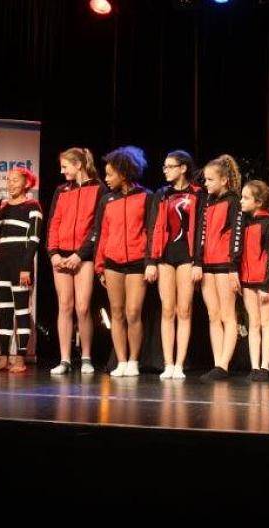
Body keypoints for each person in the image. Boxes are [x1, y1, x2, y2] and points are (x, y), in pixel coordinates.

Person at [91, 146, 152, 377]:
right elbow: (102, 234)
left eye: (110, 174)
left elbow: (151, 231)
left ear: (124, 173)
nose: (106, 179)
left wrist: (150, 262)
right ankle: (122, 361)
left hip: (137, 262)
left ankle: (134, 361)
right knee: (116, 313)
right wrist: (99, 267)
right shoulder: (106, 201)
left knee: (133, 312)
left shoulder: (146, 197)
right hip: (112, 262)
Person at [144, 150, 204, 380]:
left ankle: (180, 364)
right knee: (167, 309)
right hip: (165, 256)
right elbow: (153, 228)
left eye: (170, 166)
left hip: (187, 256)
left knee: (184, 310)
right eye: (164, 167)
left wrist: (198, 261)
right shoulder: (162, 194)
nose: (165, 170)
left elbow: (201, 230)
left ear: (183, 168)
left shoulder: (198, 194)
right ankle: (168, 363)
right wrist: (151, 261)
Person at [46, 147, 104, 375]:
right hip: (61, 255)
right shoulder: (61, 191)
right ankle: (65, 360)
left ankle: (86, 357)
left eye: (65, 166)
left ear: (79, 165)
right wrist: (53, 253)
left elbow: (97, 227)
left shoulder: (99, 188)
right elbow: (53, 223)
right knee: (65, 306)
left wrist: (80, 254)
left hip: (84, 257)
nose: (62, 172)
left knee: (83, 307)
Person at [0, 168, 42, 373]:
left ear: (27, 183)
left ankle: (20, 358)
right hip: (1, 264)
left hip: (20, 264)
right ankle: (3, 358)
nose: (10, 184)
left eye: (15, 180)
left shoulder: (33, 206)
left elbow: (33, 240)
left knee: (22, 310)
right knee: (5, 310)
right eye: (8, 180)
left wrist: (25, 268)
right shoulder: (4, 207)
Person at [193, 154, 243, 382]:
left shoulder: (234, 201)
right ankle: (217, 363)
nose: (206, 184)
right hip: (208, 265)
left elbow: (236, 236)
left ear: (224, 180)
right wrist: (198, 262)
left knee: (227, 315)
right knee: (213, 315)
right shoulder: (207, 202)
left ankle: (224, 364)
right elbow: (201, 235)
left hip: (224, 264)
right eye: (205, 180)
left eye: (211, 180)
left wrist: (233, 267)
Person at [238, 180, 269, 382]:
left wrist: (266, 284)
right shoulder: (245, 223)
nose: (241, 201)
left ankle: (265, 366)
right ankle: (254, 366)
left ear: (259, 202)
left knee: (265, 322)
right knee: (253, 323)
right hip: (247, 281)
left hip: (264, 282)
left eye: (246, 198)